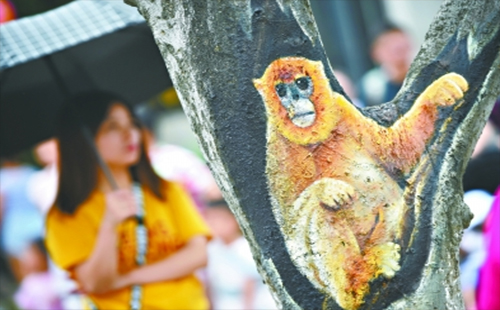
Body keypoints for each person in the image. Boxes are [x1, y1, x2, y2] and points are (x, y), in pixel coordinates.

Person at [45, 91, 212, 310]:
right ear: (82, 139)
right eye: (112, 127)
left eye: (132, 123)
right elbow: (94, 283)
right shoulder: (66, 214)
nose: (130, 134)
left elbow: (198, 255)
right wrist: (109, 225)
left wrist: (127, 278)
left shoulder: (165, 189)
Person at [204, 199, 277, 310]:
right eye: (210, 219)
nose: (213, 223)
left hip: (247, 303)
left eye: (219, 219)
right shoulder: (213, 248)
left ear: (235, 221)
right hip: (224, 301)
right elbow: (211, 280)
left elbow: (249, 283)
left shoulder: (244, 247)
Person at [358, 24, 413, 107]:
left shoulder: (427, 75)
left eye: (399, 42)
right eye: (388, 44)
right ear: (375, 53)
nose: (396, 48)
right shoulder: (372, 87)